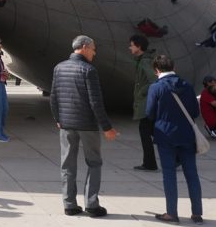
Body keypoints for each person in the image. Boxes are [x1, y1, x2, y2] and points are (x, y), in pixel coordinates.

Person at [50, 35, 118, 217]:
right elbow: (96, 103)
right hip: (87, 125)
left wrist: (58, 118)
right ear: (85, 47)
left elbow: (53, 97)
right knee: (94, 162)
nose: (95, 53)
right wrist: (107, 127)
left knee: (67, 164)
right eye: (93, 49)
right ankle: (92, 204)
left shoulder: (59, 68)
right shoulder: (89, 70)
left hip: (66, 124)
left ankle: (69, 205)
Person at [145, 54, 203, 224]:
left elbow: (149, 113)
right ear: (173, 67)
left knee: (169, 174)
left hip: (165, 135)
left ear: (156, 70)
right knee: (192, 174)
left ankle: (172, 212)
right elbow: (194, 112)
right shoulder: (187, 85)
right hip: (186, 135)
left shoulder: (156, 88)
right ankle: (197, 213)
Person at [129, 34, 158, 172]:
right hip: (146, 103)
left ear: (139, 47)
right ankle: (177, 157)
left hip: (146, 104)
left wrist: (141, 91)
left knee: (145, 133)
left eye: (132, 45)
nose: (130, 48)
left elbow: (153, 80)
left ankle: (150, 163)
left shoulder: (145, 62)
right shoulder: (142, 60)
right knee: (154, 132)